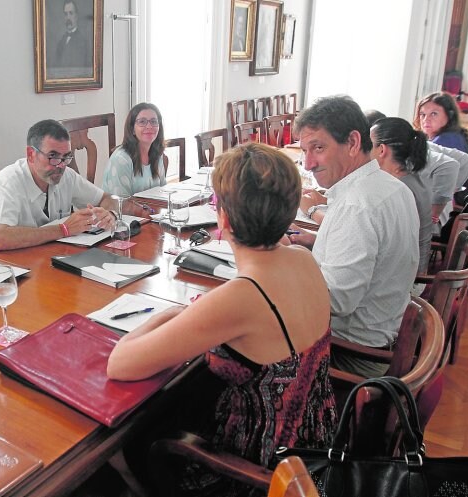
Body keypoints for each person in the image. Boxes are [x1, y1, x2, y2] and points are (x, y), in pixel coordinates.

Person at [108, 143, 337, 495]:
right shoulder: (302, 259)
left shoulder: (242, 296)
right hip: (315, 444)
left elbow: (120, 364)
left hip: (256, 471)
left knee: (121, 445)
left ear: (224, 219)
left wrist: (170, 313)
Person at [288, 95, 419, 378]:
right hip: (382, 334)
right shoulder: (392, 187)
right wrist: (311, 246)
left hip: (350, 356)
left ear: (353, 143)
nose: (308, 163)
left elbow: (334, 301)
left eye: (318, 148)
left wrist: (274, 274)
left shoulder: (356, 206)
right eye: (304, 151)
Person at [0, 119, 143, 251]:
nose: (61, 165)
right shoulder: (5, 184)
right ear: (31, 154)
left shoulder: (66, 176)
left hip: (46, 258)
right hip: (3, 271)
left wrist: (110, 213)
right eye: (53, 156)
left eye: (66, 157)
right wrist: (64, 229)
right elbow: (0, 238)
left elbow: (105, 198)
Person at [370, 117, 432, 276]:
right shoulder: (409, 176)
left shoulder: (399, 188)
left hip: (408, 280)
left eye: (368, 145)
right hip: (407, 268)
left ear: (382, 150)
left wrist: (313, 211)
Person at [102, 103, 167, 196]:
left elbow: (163, 191)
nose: (149, 126)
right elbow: (121, 205)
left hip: (151, 209)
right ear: (132, 129)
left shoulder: (157, 153)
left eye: (153, 121)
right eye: (142, 122)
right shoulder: (121, 159)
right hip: (120, 210)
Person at [51, 0, 90, 69]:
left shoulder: (82, 42)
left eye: (71, 13)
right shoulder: (61, 40)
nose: (68, 17)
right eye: (66, 14)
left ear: (76, 16)